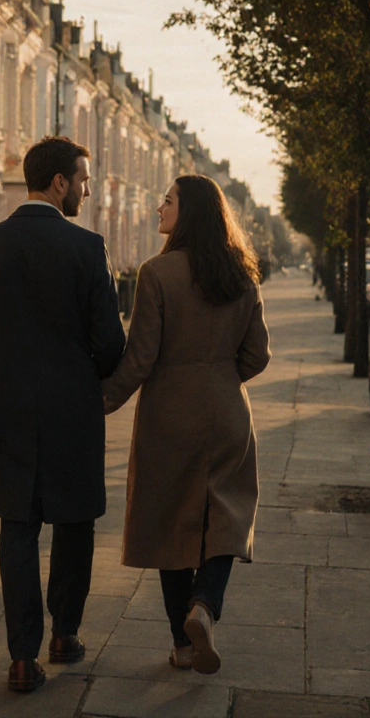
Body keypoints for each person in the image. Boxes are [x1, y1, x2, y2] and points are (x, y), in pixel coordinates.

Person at [0, 136, 127, 693]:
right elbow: (111, 345)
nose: (88, 189)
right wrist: (89, 374)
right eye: (83, 178)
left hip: (7, 411)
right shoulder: (87, 247)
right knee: (75, 525)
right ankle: (64, 635)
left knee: (18, 531)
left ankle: (23, 657)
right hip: (73, 410)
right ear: (59, 183)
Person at [102, 174, 270, 675]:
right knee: (227, 516)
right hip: (228, 410)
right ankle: (206, 606)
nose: (159, 206)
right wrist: (219, 377)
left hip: (169, 415)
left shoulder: (157, 273)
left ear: (189, 211)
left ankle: (182, 643)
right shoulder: (243, 275)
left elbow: (139, 359)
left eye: (168, 200)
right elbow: (258, 356)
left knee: (170, 522)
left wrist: (100, 403)